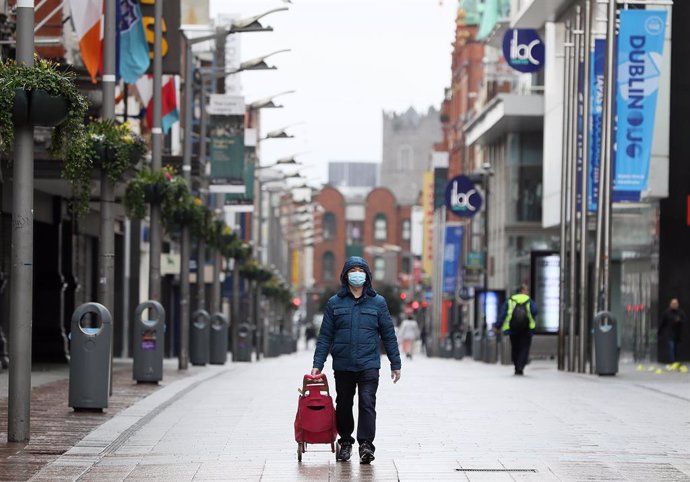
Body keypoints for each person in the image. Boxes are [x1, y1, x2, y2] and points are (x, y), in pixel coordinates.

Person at [311, 256, 401, 465]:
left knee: (367, 402)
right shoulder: (334, 303)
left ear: (367, 275)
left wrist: (395, 364)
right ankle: (345, 442)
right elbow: (325, 336)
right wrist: (318, 364)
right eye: (353, 270)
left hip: (369, 363)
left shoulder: (378, 303)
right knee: (343, 403)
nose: (357, 274)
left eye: (361, 270)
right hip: (343, 364)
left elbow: (388, 334)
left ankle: (366, 445)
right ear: (345, 275)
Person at [495, 284, 538, 376]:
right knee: (524, 348)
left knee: (515, 348)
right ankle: (520, 366)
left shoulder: (510, 300)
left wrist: (497, 326)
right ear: (523, 291)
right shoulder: (529, 300)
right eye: (526, 290)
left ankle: (516, 365)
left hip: (513, 329)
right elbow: (535, 310)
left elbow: (503, 314)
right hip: (526, 329)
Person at [659, 298, 686, 365]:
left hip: (677, 333)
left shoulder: (680, 312)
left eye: (675, 304)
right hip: (669, 333)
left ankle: (675, 360)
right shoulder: (666, 312)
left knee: (676, 348)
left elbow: (684, 321)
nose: (674, 305)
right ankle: (672, 361)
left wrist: (679, 321)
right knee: (671, 346)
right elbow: (662, 323)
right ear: (670, 304)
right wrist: (660, 332)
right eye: (673, 304)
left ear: (678, 305)